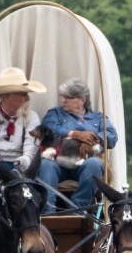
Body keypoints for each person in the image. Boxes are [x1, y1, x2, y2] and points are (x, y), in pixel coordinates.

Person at [38, 78, 118, 214]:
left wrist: (92, 139)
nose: (63, 100)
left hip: (84, 163)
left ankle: (76, 210)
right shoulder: (55, 113)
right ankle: (47, 212)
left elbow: (112, 136)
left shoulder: (98, 117)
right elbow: (48, 129)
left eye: (68, 97)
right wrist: (74, 134)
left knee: (95, 164)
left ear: (82, 99)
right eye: (63, 96)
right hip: (58, 162)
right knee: (46, 165)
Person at [0, 67, 46, 202]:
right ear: (6, 96)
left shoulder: (31, 117)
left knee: (40, 164)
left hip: (19, 164)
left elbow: (31, 143)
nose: (28, 98)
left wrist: (27, 157)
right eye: (23, 94)